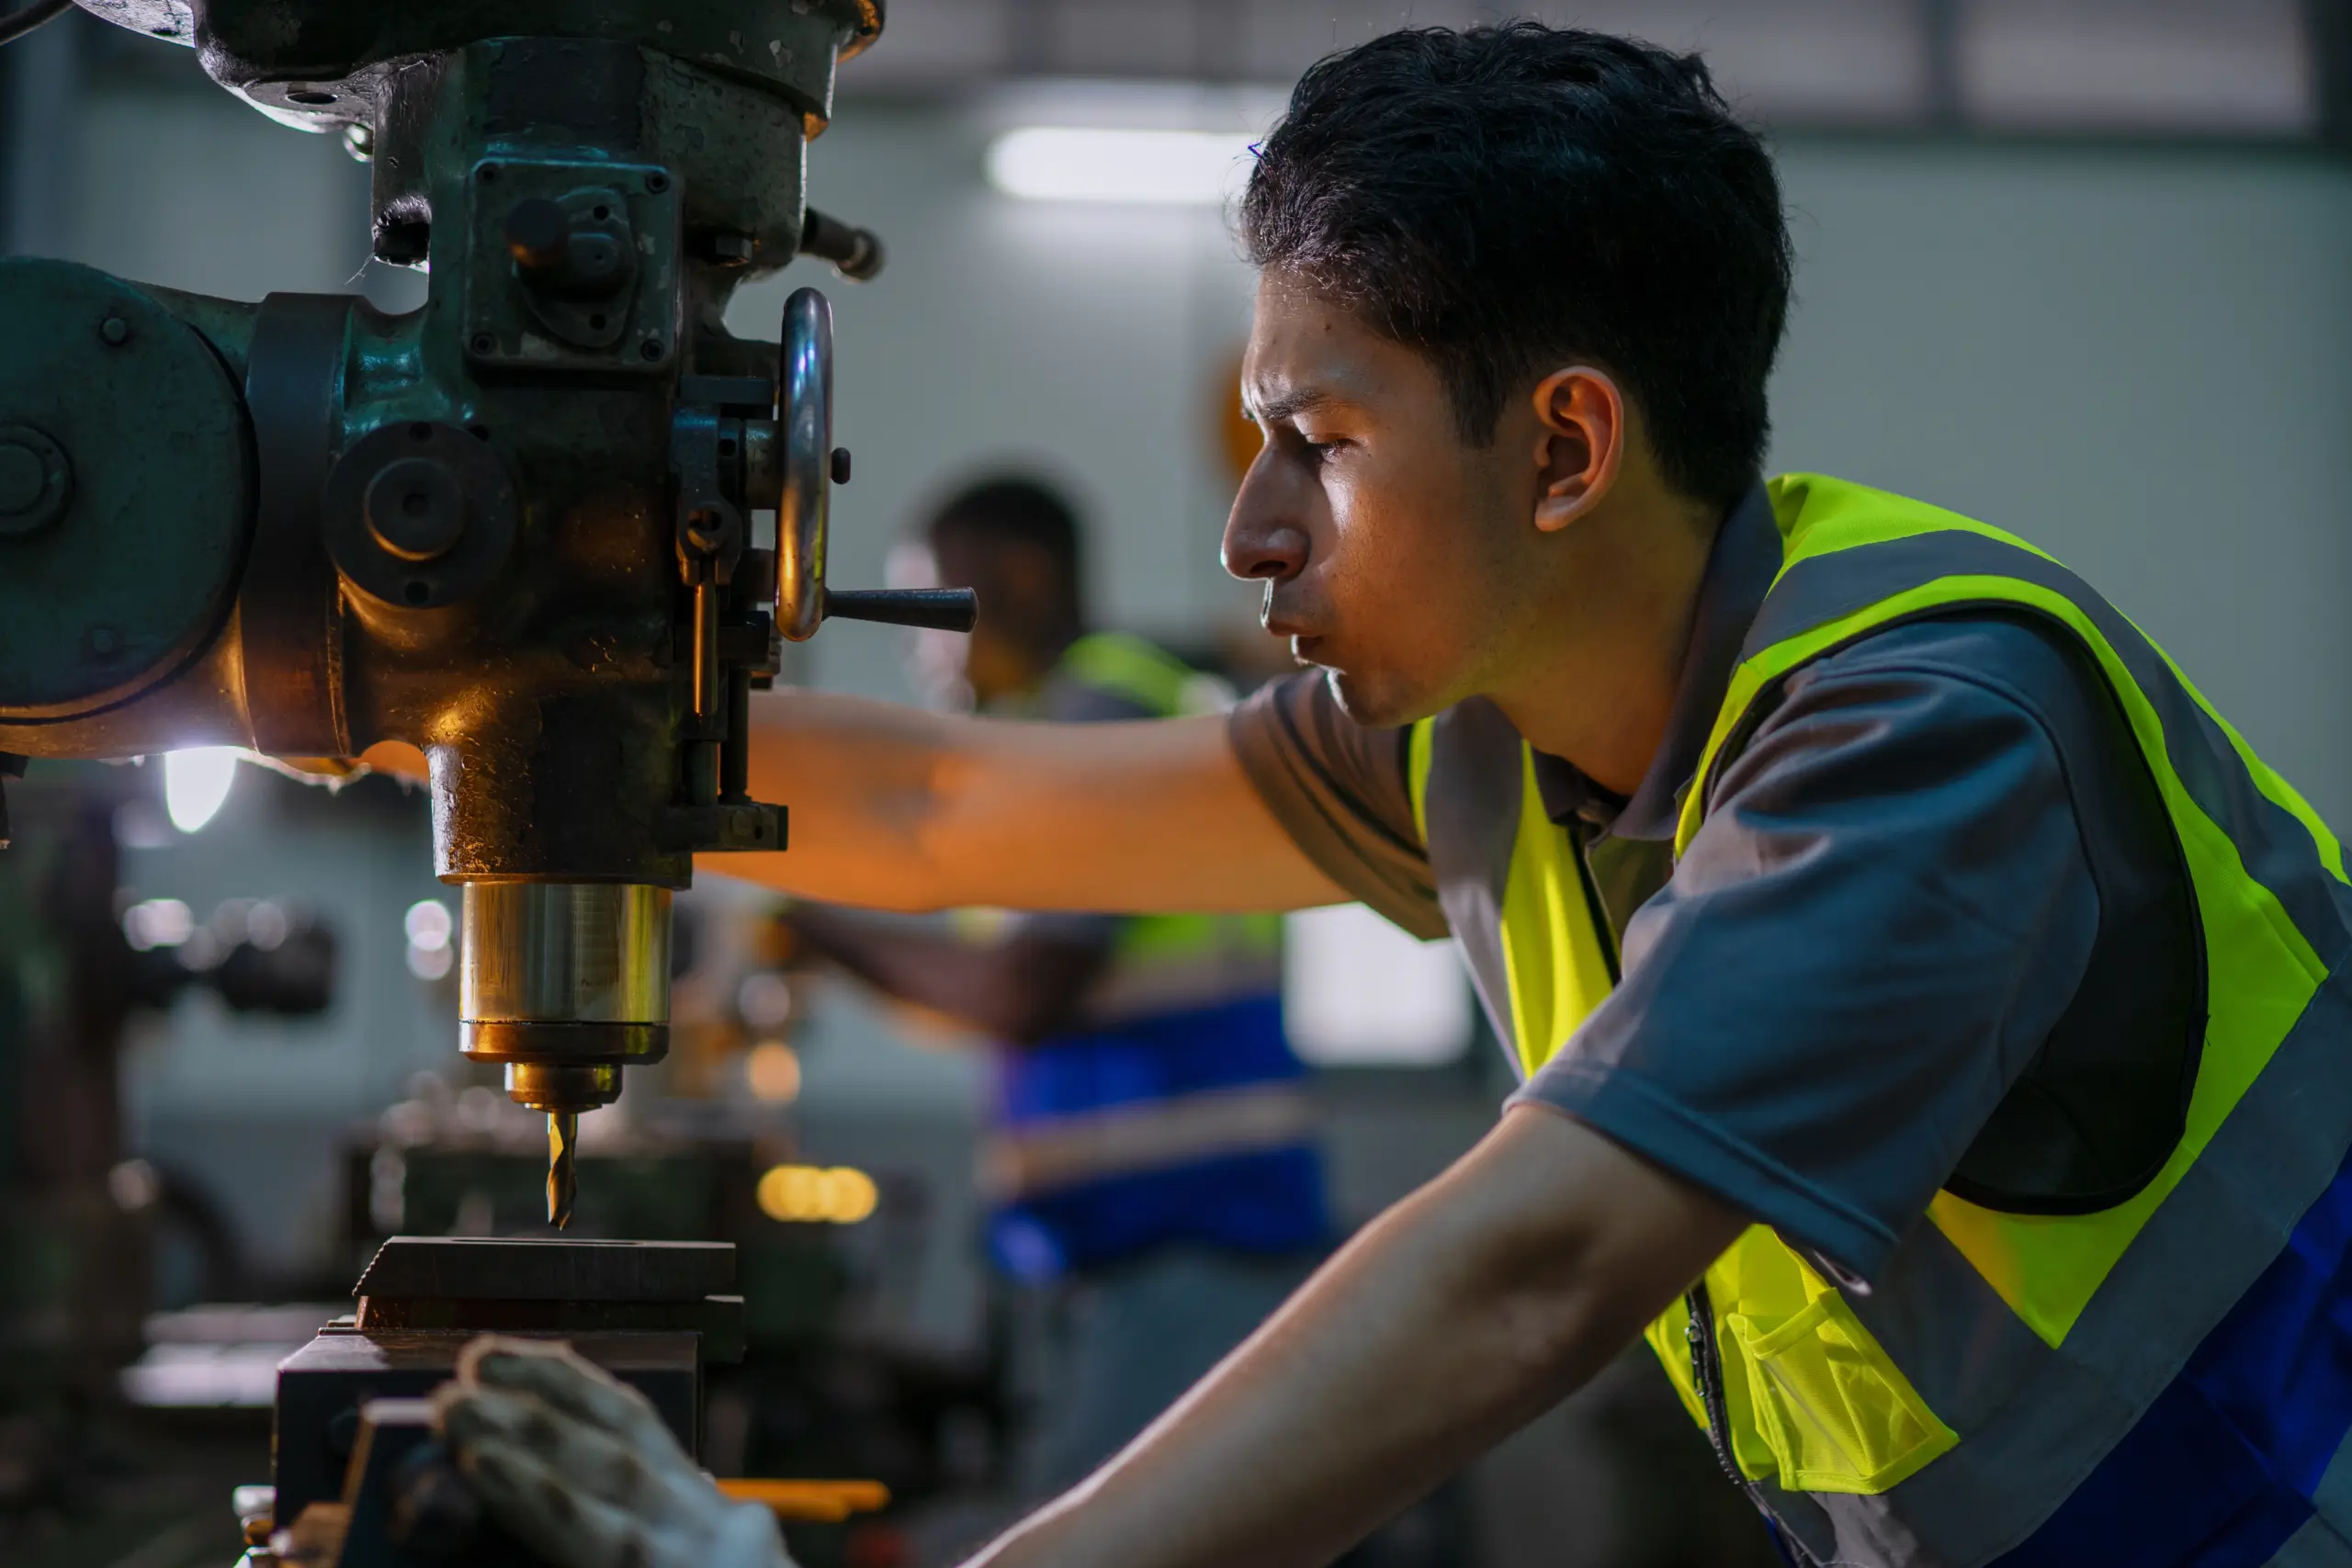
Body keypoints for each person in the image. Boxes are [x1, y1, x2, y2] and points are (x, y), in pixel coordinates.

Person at [434, 22, 2352, 1568]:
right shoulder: (1483, 735)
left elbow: (1524, 1273)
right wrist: (423, 697)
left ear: (1565, 446)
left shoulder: (1926, 742)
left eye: (1315, 440)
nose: (1246, 526)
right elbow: (947, 809)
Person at [777, 476, 1330, 1498]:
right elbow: (1000, 1005)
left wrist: (802, 924)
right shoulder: (1052, 732)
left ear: (1020, 579)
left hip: (1187, 1240)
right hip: (1123, 1253)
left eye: (926, 605)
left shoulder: (1104, 707)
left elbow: (1021, 993)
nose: (915, 647)